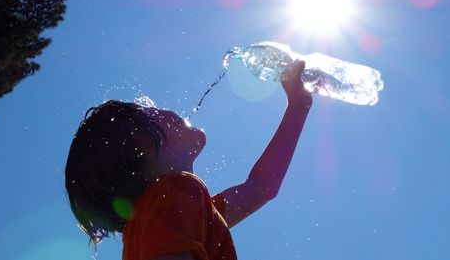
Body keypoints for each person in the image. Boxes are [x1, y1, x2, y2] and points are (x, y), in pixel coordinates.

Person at [65, 60, 313, 260]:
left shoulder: (175, 212)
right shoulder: (173, 193)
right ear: (143, 147)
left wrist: (298, 105)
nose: (162, 109)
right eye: (151, 112)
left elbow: (261, 187)